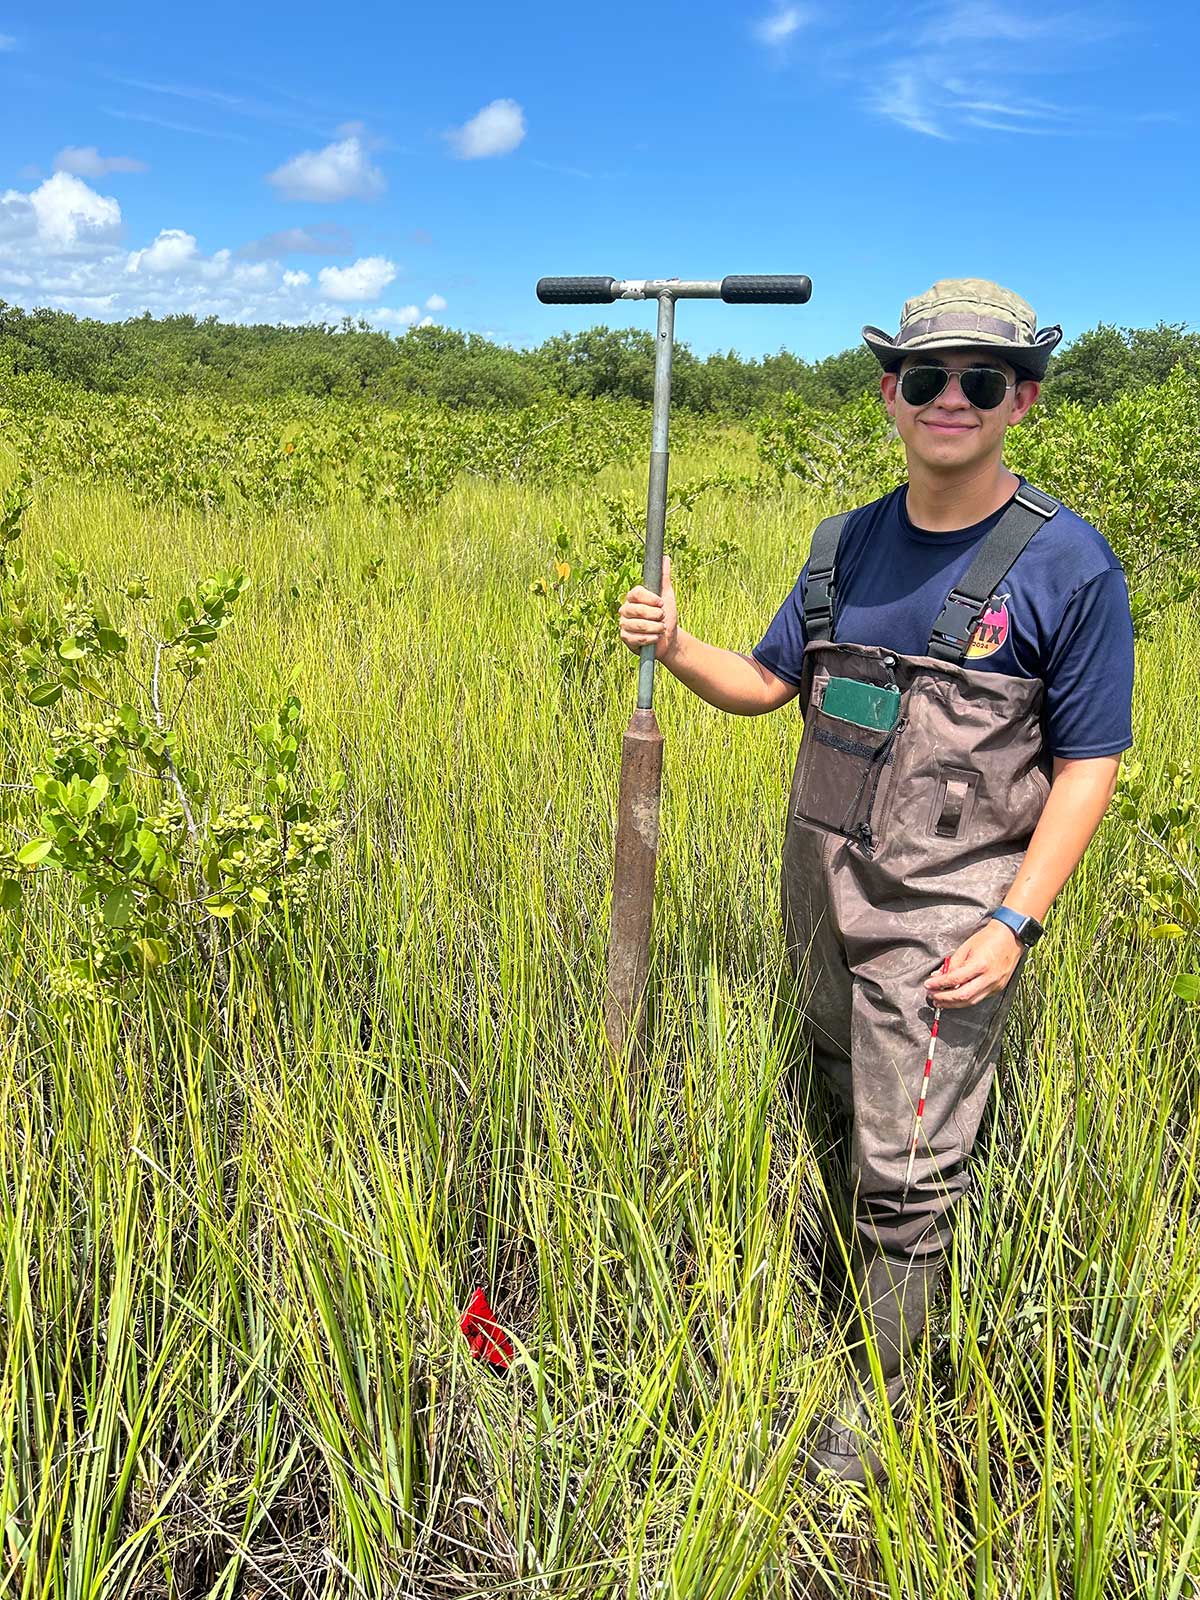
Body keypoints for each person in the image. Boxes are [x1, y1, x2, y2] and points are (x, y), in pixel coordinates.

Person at [616, 278, 1135, 1486]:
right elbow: (768, 686)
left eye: (982, 381)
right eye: (926, 377)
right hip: (821, 895)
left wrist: (1017, 919)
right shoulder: (843, 541)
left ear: (1025, 401)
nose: (951, 399)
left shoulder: (1069, 567)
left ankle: (879, 1403)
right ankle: (822, 1292)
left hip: (950, 920)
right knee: (836, 1096)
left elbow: (1090, 762)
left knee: (910, 1162)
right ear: (889, 392)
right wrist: (673, 644)